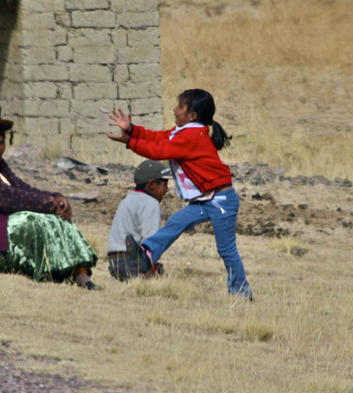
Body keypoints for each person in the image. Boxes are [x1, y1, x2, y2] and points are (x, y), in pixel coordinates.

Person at [106, 89, 253, 299]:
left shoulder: (192, 136)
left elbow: (159, 151)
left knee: (226, 249)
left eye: (180, 107)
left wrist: (130, 141)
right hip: (205, 200)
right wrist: (132, 130)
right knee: (176, 221)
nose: (175, 109)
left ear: (192, 115)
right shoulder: (184, 132)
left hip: (220, 200)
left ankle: (242, 292)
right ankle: (146, 253)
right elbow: (159, 137)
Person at [0, 100, 98, 289]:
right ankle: (48, 271)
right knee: (32, 221)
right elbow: (6, 198)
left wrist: (56, 198)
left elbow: (21, 188)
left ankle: (80, 272)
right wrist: (49, 204)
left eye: (0, 143)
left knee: (56, 217)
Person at [106, 160, 171, 281]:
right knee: (162, 277)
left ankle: (120, 278)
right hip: (131, 261)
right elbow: (150, 243)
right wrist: (151, 270)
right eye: (164, 184)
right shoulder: (151, 203)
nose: (167, 190)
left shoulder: (127, 199)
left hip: (114, 262)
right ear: (152, 184)